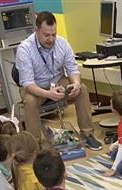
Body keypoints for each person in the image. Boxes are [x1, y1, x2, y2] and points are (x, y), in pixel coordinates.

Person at [15, 11, 102, 150]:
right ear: (36, 30)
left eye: (53, 34)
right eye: (46, 35)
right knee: (29, 101)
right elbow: (27, 83)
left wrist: (76, 84)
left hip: (57, 83)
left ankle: (87, 134)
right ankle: (34, 145)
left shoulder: (62, 44)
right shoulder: (24, 49)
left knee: (82, 89)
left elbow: (73, 70)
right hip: (35, 88)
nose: (51, 39)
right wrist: (48, 94)